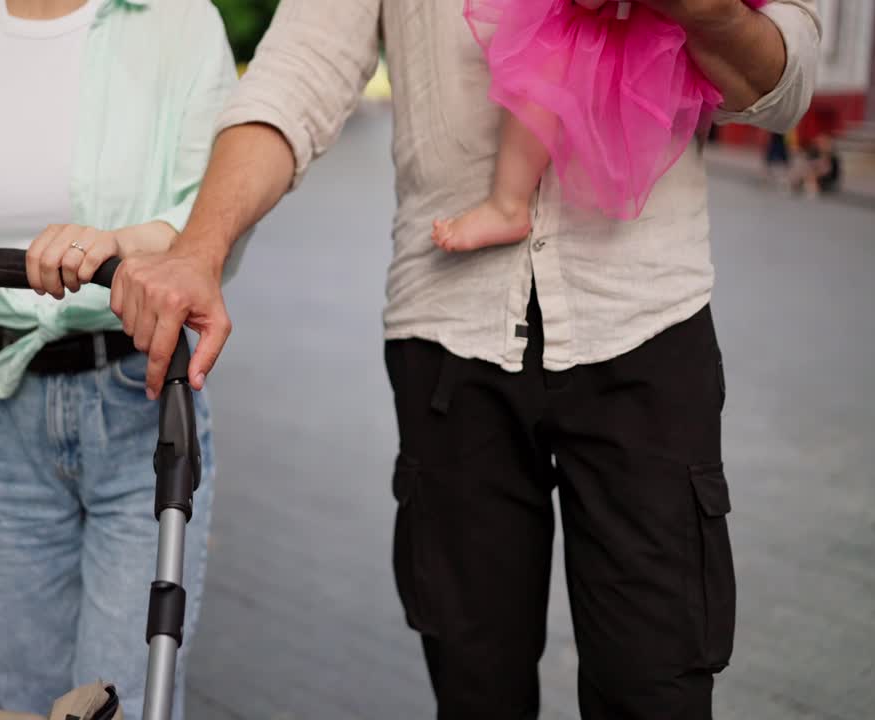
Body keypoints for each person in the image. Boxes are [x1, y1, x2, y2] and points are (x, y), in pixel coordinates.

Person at [108, 0, 821, 717]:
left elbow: (786, 82)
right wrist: (199, 247)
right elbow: (301, 69)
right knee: (474, 684)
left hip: (647, 325)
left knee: (655, 686)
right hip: (449, 331)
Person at [0, 0, 236, 716]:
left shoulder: (179, 24)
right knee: (28, 702)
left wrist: (126, 242)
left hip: (142, 400)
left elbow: (211, 217)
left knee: (120, 701)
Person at [432, 0, 771, 252]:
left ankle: (507, 205)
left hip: (649, 32)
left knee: (542, 66)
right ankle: (507, 205)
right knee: (546, 70)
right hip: (638, 34)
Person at [795, 131, 841, 196]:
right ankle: (803, 185)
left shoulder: (832, 157)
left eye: (824, 142)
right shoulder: (814, 153)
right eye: (820, 142)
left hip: (827, 179)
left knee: (812, 173)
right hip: (815, 176)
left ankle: (811, 188)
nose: (821, 144)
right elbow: (807, 164)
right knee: (805, 170)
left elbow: (829, 171)